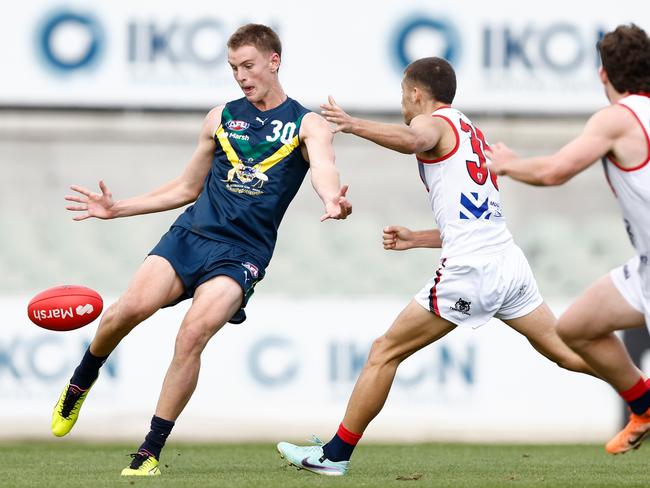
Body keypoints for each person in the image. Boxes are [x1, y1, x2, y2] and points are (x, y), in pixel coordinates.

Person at [52, 23, 352, 477]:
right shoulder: (220, 117)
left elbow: (324, 169)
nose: (241, 76)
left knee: (192, 335)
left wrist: (332, 199)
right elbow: (186, 187)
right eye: (234, 68)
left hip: (242, 254)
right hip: (191, 235)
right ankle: (81, 381)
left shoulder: (306, 124)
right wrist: (119, 209)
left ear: (274, 61)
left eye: (248, 66)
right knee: (124, 311)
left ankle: (149, 451)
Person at [276, 56, 595, 476]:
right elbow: (471, 222)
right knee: (566, 351)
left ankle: (334, 456)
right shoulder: (469, 130)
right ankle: (640, 392)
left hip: (472, 271)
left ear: (416, 93)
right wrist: (416, 238)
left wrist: (353, 125)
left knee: (383, 352)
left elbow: (413, 139)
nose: (404, 109)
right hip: (505, 259)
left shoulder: (434, 123)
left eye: (403, 98)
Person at [486, 24, 650, 455]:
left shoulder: (617, 117)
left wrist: (507, 164)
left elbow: (555, 171)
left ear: (603, 75)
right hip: (644, 267)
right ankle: (645, 406)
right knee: (576, 327)